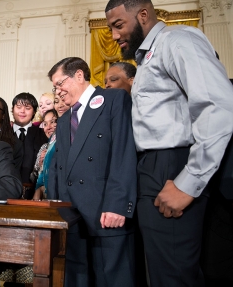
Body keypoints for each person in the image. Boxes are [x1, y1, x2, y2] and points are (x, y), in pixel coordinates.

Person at [105, 1, 233, 286]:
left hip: (173, 166)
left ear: (143, 15)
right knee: (162, 272)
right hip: (153, 166)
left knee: (173, 277)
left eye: (118, 25)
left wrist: (189, 181)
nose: (113, 36)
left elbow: (217, 106)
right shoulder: (150, 55)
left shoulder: (177, 40)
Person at [47, 57, 137, 287]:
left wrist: (118, 204)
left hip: (106, 215)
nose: (57, 92)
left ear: (79, 75)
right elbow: (60, 168)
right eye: (54, 87)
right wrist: (57, 210)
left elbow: (123, 153)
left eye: (59, 84)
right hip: (73, 220)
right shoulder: (65, 118)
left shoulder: (113, 99)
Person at [12, 92, 48, 198]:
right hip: (7, 191)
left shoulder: (42, 134)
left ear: (34, 112)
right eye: (19, 107)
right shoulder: (4, 133)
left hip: (34, 193)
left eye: (27, 108)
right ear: (12, 109)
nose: (22, 111)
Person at [33, 109, 58, 200]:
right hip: (43, 198)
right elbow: (34, 176)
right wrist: (40, 163)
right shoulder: (44, 147)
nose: (48, 127)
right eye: (45, 124)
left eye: (53, 122)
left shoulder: (66, 145)